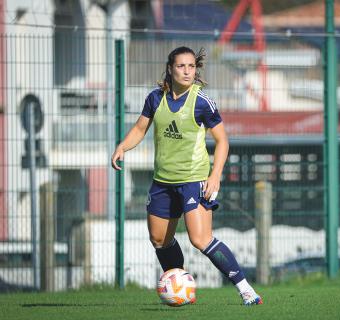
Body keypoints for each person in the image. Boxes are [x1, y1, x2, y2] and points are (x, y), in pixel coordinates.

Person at [111, 46, 262, 306]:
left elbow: (222, 141)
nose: (187, 71)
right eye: (181, 66)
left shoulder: (202, 102)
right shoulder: (155, 98)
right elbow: (139, 128)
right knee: (159, 239)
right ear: (170, 68)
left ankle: (246, 289)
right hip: (162, 181)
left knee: (200, 239)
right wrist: (122, 147)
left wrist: (215, 176)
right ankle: (181, 287)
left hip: (194, 179)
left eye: (191, 66)